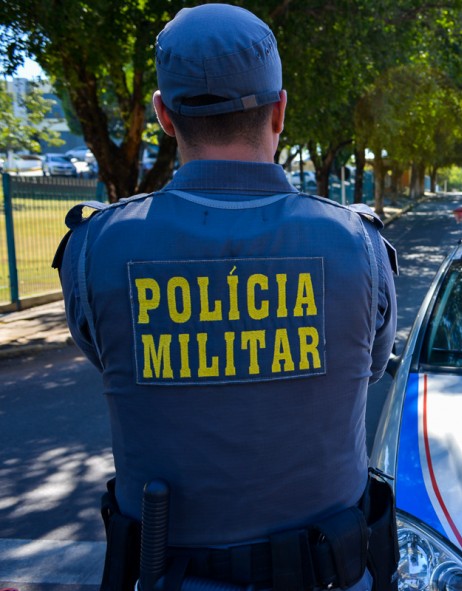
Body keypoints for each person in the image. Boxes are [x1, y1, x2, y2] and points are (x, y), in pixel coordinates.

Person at [54, 4, 398, 591]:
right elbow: (367, 367)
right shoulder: (358, 245)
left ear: (163, 115)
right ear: (280, 111)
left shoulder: (94, 248)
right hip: (330, 576)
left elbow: (104, 353)